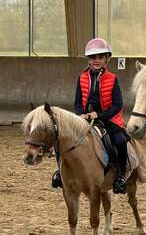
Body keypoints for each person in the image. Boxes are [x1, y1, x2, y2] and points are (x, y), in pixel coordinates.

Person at [51, 38, 128, 194]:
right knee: (61, 138)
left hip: (107, 118)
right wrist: (81, 115)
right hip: (84, 118)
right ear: (88, 60)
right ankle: (60, 172)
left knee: (120, 140)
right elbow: (78, 102)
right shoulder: (82, 78)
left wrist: (99, 114)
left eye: (100, 57)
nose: (96, 61)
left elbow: (117, 105)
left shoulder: (113, 79)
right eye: (93, 58)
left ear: (107, 59)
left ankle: (120, 176)